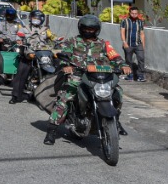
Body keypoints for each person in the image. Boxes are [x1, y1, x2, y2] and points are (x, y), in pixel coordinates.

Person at [44, 15, 128, 145]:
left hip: (100, 76)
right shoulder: (72, 41)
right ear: (81, 28)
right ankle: (52, 130)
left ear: (97, 30)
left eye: (92, 29)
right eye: (86, 28)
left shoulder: (103, 44)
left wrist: (123, 65)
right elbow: (64, 55)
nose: (88, 31)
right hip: (78, 75)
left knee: (118, 92)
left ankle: (115, 120)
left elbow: (115, 56)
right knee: (65, 97)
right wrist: (66, 66)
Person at [11, 9, 57, 104]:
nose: (36, 20)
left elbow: (53, 37)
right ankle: (16, 96)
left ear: (42, 20)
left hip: (43, 52)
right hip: (29, 53)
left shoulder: (45, 30)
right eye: (34, 18)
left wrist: (58, 39)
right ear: (30, 18)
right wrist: (19, 40)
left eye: (38, 18)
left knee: (58, 63)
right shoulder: (24, 28)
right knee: (22, 70)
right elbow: (18, 37)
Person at [0, 7, 23, 85]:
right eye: (8, 15)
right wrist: (0, 38)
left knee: (22, 58)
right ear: (5, 15)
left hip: (15, 45)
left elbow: (21, 33)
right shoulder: (1, 23)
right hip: (3, 44)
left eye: (11, 15)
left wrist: (19, 40)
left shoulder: (18, 25)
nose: (9, 17)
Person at [120, 5, 147, 83]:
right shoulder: (124, 21)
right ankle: (130, 75)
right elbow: (122, 32)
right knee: (129, 60)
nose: (134, 15)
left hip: (138, 44)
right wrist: (124, 42)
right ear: (129, 13)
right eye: (132, 13)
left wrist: (143, 45)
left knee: (141, 59)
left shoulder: (140, 22)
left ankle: (140, 76)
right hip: (128, 44)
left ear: (138, 13)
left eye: (136, 13)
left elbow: (142, 34)